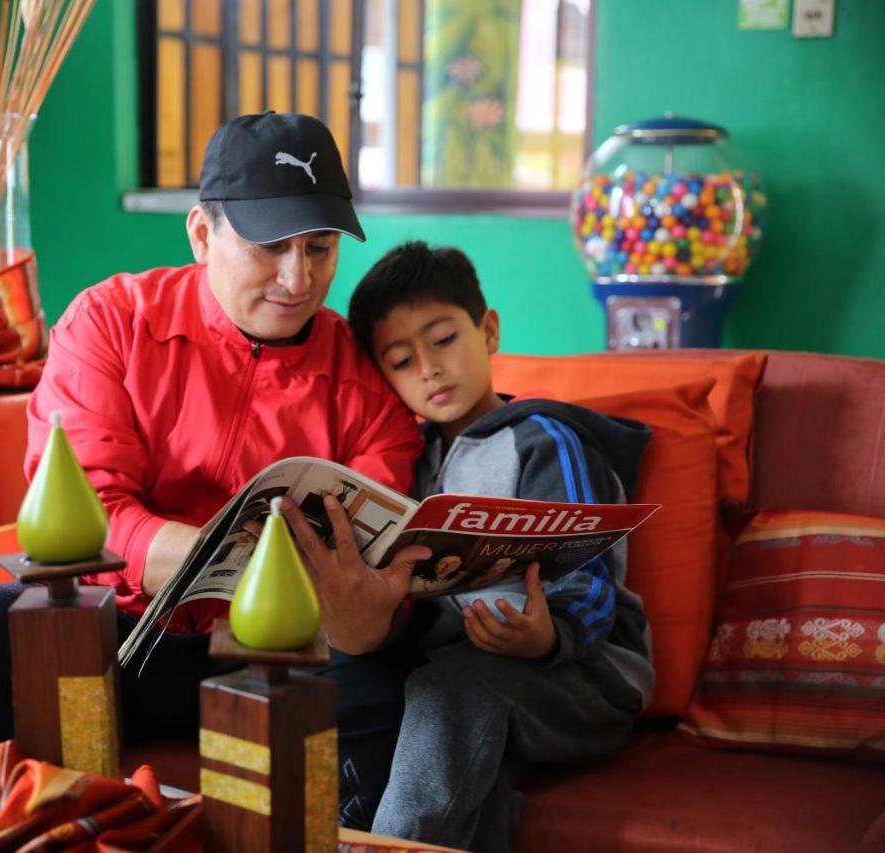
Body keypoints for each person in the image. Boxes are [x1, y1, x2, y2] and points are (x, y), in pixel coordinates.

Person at [0, 113, 427, 818]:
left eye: (320, 247)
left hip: (276, 654)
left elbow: (374, 590)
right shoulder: (110, 322)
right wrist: (243, 561)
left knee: (395, 675)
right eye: (271, 246)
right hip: (116, 640)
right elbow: (88, 513)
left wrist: (369, 616)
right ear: (200, 234)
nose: (298, 277)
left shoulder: (366, 385)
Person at [279, 241, 654, 851]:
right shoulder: (409, 458)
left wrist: (548, 636)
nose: (427, 368)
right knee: (436, 741)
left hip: (586, 677)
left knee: (451, 690)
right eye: (400, 360)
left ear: (488, 330)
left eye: (443, 340)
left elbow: (591, 575)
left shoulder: (547, 441)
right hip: (474, 675)